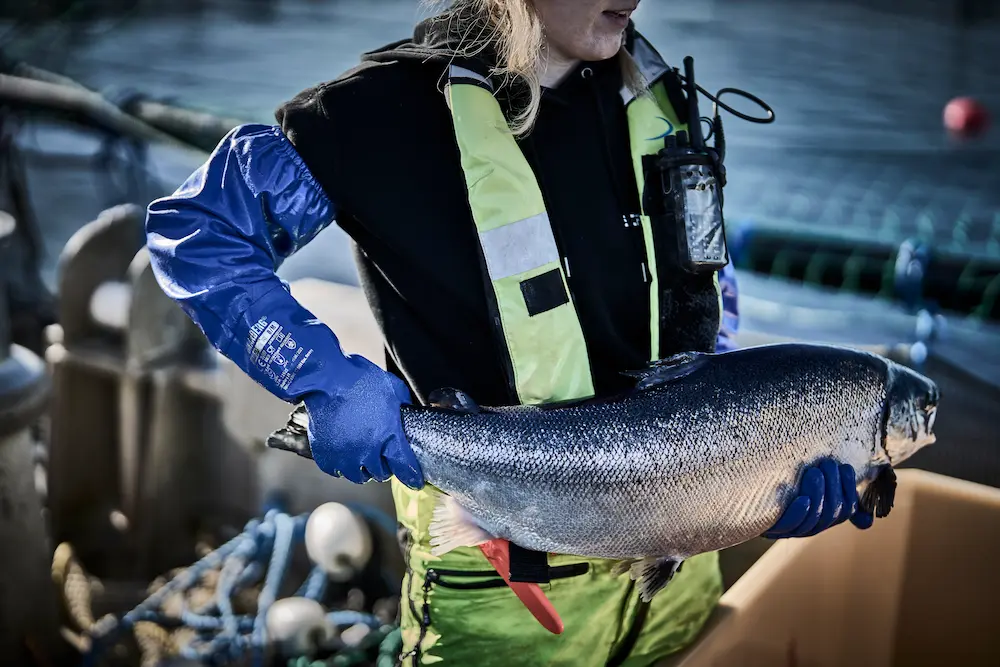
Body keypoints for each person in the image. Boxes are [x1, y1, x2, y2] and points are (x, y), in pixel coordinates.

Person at [145, 1, 875, 664]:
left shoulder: (659, 98)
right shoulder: (380, 112)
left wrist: (757, 476)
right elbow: (199, 233)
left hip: (675, 586)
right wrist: (323, 380)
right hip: (506, 595)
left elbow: (709, 299)